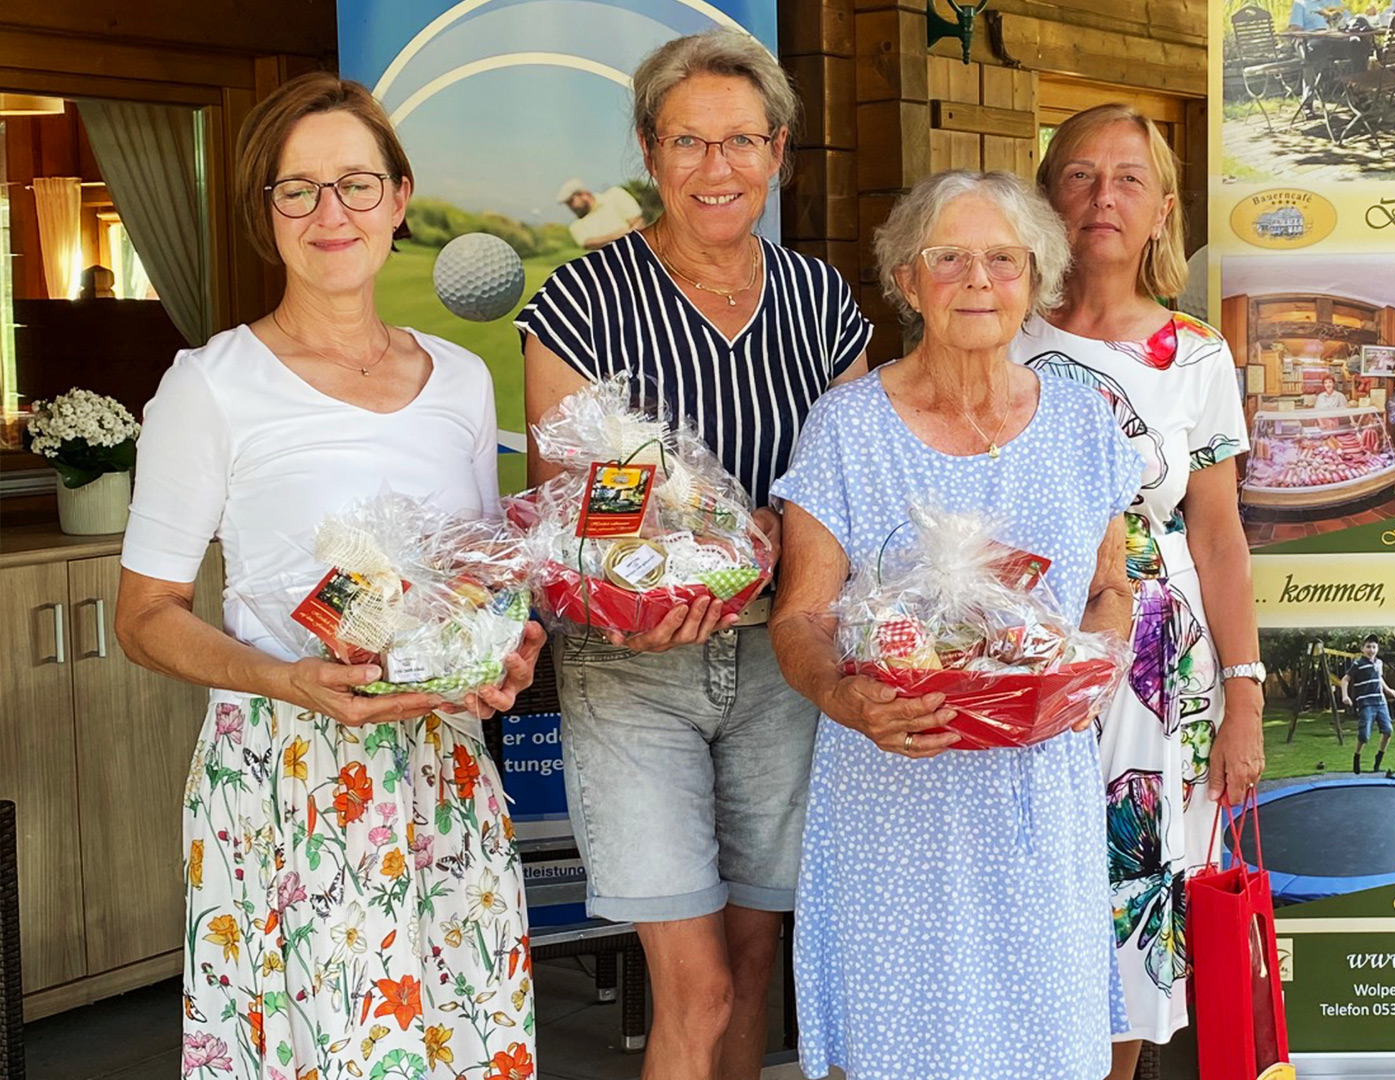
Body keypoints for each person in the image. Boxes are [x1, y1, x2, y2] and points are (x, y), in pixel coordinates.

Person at [113, 73, 543, 1077]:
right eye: (296, 189)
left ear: (398, 198)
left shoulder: (463, 380)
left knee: (460, 1042)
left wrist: (507, 655)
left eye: (355, 183)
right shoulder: (212, 384)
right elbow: (145, 615)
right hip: (287, 774)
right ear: (267, 216)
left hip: (440, 772)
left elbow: (472, 586)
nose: (329, 213)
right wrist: (289, 679)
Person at [515, 29, 871, 1080]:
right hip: (635, 668)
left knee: (756, 965)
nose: (717, 170)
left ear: (778, 151)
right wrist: (690, 545)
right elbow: (573, 502)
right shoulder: (581, 300)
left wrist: (779, 541)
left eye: (742, 142)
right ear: (648, 151)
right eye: (688, 143)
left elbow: (853, 484)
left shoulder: (822, 301)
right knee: (697, 985)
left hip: (784, 664)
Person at [769, 169, 1140, 1080]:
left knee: (1043, 1045)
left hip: (1035, 790)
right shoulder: (847, 428)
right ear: (907, 280)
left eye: (1003, 260)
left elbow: (1108, 592)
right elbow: (801, 616)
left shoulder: (1085, 424)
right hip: (895, 788)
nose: (979, 280)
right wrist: (848, 697)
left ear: (1037, 280)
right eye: (950, 258)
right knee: (905, 1049)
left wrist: (1092, 668)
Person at [1012, 102, 1262, 1074]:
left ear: (1162, 207)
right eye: (1079, 174)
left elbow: (1219, 533)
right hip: (1022, 647)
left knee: (1132, 898)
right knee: (1032, 894)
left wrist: (1245, 694)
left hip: (1158, 673)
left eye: (1127, 178)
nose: (1102, 196)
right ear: (1048, 198)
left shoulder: (1194, 356)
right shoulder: (1000, 334)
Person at [1340, 633, 1395, 774]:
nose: (1371, 650)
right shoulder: (1358, 663)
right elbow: (1345, 680)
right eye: (1368, 647)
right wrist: (1345, 696)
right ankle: (1357, 756)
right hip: (1366, 703)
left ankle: (1378, 760)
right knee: (1364, 736)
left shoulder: (1379, 663)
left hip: (1381, 702)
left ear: (1377, 649)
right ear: (1362, 649)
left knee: (1388, 731)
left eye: (1374, 647)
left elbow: (1379, 679)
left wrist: (1389, 690)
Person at [558, 176, 647, 249]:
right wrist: (619, 235)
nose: (571, 207)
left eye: (571, 202)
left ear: (584, 195)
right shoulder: (576, 226)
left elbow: (638, 222)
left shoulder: (615, 195)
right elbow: (588, 243)